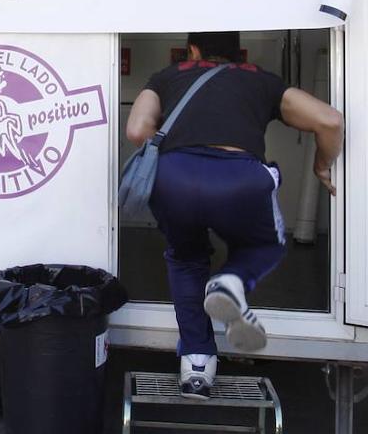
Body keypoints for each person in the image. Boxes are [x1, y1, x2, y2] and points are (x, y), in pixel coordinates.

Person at [125, 31, 343, 399]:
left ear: (192, 49)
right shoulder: (261, 80)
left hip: (174, 179)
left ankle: (197, 366)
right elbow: (330, 121)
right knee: (264, 245)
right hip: (239, 179)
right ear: (239, 52)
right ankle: (232, 280)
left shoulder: (168, 76)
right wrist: (322, 166)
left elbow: (136, 130)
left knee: (185, 259)